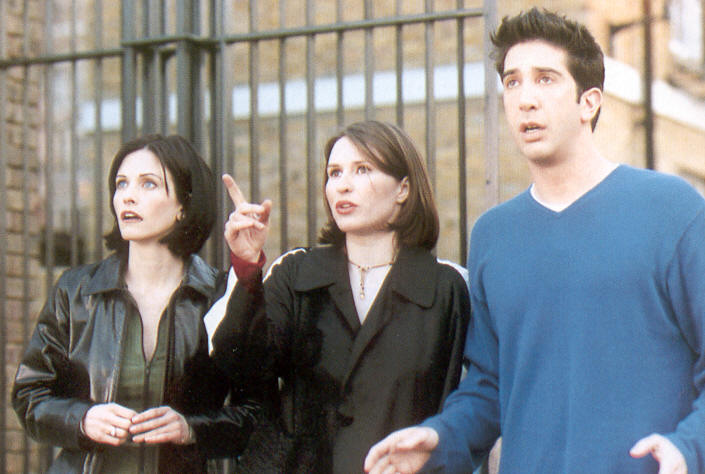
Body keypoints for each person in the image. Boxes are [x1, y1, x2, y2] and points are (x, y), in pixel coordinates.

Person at [364, 8, 705, 474]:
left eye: (546, 79)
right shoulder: (494, 235)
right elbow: (491, 386)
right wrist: (442, 437)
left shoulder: (672, 209)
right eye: (512, 82)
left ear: (589, 103)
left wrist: (689, 448)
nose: (525, 99)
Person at [208, 120, 470, 473]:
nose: (343, 185)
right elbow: (244, 369)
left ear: (403, 189)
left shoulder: (445, 287)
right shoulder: (297, 273)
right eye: (334, 173)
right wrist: (247, 268)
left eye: (362, 169)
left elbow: (460, 408)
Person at [13, 134, 260, 473]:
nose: (128, 195)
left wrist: (191, 429)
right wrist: (82, 419)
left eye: (148, 184)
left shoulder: (219, 296)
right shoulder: (76, 292)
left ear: (184, 206)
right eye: (121, 184)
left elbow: (255, 412)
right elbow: (29, 396)